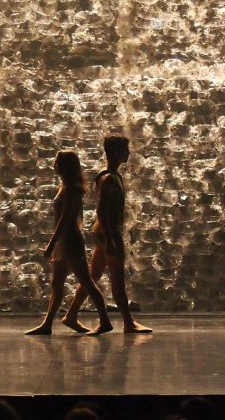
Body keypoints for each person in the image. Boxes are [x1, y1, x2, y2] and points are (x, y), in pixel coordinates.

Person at [62, 136, 151, 334]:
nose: (129, 153)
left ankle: (71, 314)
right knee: (117, 278)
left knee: (93, 275)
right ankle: (128, 322)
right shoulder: (109, 178)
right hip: (109, 232)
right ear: (116, 152)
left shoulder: (111, 176)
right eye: (125, 149)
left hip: (104, 231)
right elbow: (101, 210)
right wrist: (111, 239)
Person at [26, 150, 112, 336]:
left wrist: (51, 243)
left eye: (57, 163)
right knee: (57, 283)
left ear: (66, 166)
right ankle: (47, 324)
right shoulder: (65, 185)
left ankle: (105, 321)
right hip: (64, 239)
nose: (53, 166)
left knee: (86, 281)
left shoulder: (73, 188)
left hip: (70, 239)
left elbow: (66, 218)